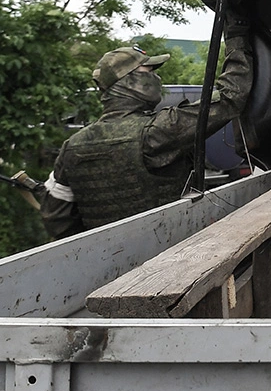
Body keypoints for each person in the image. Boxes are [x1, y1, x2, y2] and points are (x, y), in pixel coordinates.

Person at [40, 20, 253, 240]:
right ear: (129, 82)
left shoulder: (72, 147)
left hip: (107, 265)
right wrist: (237, 35)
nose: (157, 77)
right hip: (170, 258)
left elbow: (55, 218)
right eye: (149, 71)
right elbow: (231, 96)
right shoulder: (159, 131)